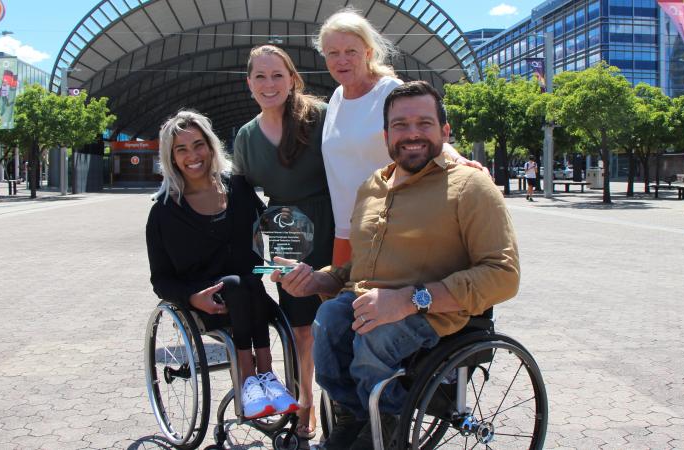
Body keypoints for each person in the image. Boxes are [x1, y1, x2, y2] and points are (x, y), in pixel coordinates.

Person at [273, 81, 520, 449]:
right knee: (328, 321)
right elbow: (358, 267)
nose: (412, 134)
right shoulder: (372, 185)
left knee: (376, 335)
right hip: (370, 304)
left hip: (436, 314)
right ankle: (356, 417)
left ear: (445, 131)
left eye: (424, 123)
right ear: (387, 135)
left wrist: (408, 300)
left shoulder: (471, 186)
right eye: (401, 125)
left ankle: (389, 432)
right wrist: (318, 282)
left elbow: (503, 275)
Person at [146, 110, 299, 420]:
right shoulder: (164, 212)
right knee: (236, 284)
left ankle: (265, 377)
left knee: (249, 280)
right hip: (208, 305)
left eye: (198, 144)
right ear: (171, 157)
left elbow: (270, 225)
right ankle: (250, 375)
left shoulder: (238, 188)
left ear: (211, 146)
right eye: (182, 149)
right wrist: (191, 297)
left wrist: (288, 259)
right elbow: (161, 280)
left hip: (253, 297)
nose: (193, 156)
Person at [314, 8, 484, 267]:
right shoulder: (337, 97)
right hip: (346, 229)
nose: (342, 60)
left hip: (391, 225)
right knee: (341, 301)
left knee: (379, 303)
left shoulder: (389, 91)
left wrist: (458, 158)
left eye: (351, 51)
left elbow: (423, 135)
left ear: (368, 53)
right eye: (333, 53)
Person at [233, 44, 334, 438]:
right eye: (260, 76)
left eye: (278, 75)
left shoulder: (321, 117)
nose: (269, 83)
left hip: (334, 221)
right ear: (249, 84)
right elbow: (240, 197)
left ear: (292, 79)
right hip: (284, 233)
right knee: (300, 328)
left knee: (342, 318)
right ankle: (305, 403)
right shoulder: (245, 137)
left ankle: (343, 404)